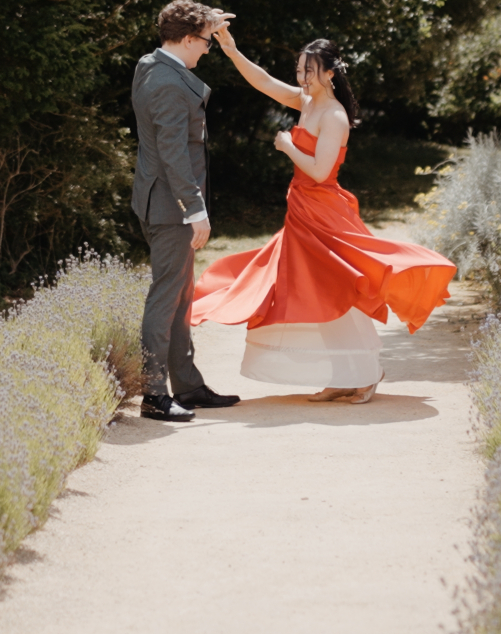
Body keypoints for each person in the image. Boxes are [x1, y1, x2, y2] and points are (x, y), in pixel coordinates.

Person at [190, 29, 455, 403]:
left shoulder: (334, 115)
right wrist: (233, 51)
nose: (302, 79)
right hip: (301, 208)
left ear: (330, 73)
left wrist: (286, 146)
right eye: (299, 71)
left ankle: (367, 374)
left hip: (324, 211)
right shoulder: (307, 102)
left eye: (309, 72)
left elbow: (319, 171)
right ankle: (344, 375)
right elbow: (264, 82)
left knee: (340, 288)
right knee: (318, 293)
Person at [130, 0, 243, 422]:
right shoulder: (169, 84)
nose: (208, 49)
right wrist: (194, 209)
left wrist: (207, 21)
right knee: (166, 298)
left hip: (160, 199)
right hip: (170, 206)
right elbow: (174, 153)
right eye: (204, 42)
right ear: (183, 39)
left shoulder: (152, 64)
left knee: (180, 298)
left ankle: (188, 386)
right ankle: (153, 395)